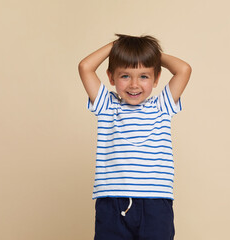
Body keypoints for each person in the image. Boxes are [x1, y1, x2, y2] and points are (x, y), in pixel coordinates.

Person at [78, 34, 192, 240]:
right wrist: (116, 47)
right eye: (125, 76)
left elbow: (183, 69)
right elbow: (85, 66)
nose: (134, 84)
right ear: (111, 77)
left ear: (156, 79)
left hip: (156, 203)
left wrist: (150, 54)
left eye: (144, 76)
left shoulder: (162, 106)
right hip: (112, 202)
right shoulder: (107, 106)